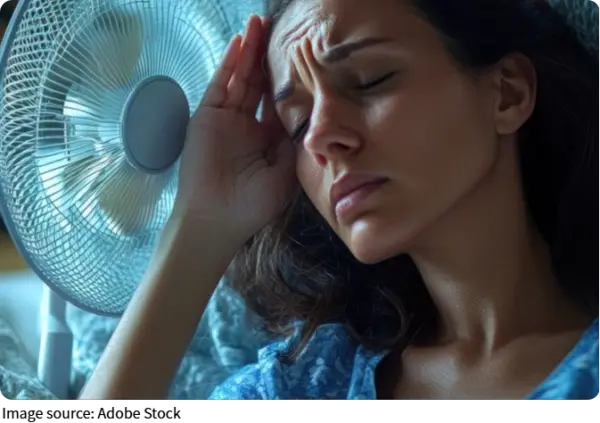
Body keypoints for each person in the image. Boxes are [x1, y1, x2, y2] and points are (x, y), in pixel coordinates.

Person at [79, 0, 598, 400]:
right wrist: (200, 224)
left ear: (507, 93)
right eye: (298, 123)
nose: (320, 137)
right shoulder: (309, 379)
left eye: (369, 81)